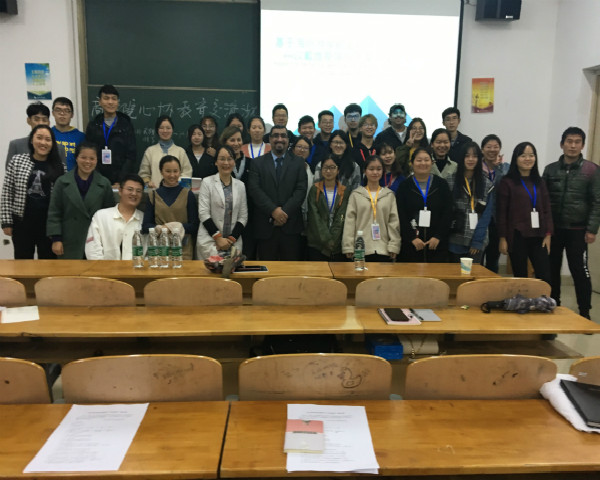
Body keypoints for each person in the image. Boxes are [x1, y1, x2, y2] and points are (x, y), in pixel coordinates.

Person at [543, 127, 600, 319]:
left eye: (577, 142)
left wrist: (592, 229)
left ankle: (584, 311)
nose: (573, 145)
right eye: (569, 141)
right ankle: (553, 304)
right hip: (554, 230)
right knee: (552, 268)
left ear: (582, 145)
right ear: (562, 144)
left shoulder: (592, 170)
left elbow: (597, 201)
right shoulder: (550, 169)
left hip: (578, 230)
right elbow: (543, 200)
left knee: (579, 270)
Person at [1, 125, 66, 259]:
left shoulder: (60, 167)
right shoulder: (17, 161)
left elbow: (63, 201)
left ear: (52, 144)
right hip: (22, 223)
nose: (43, 142)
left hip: (48, 225)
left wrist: (59, 229)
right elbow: (7, 192)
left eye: (48, 139)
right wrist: (6, 222)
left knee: (49, 264)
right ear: (31, 140)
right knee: (23, 264)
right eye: (39, 138)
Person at [247, 125, 307, 260]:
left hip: (291, 226)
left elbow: (300, 190)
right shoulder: (257, 163)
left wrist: (283, 212)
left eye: (283, 136)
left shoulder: (298, 162)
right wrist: (273, 211)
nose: (279, 139)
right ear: (269, 139)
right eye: (275, 136)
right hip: (265, 226)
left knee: (291, 270)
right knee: (267, 269)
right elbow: (255, 190)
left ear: (288, 140)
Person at [47, 140, 114, 259]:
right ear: (76, 158)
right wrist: (56, 239)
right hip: (68, 241)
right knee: (70, 271)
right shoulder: (62, 182)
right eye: (83, 157)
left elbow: (109, 216)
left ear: (97, 160)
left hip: (96, 241)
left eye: (92, 158)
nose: (87, 162)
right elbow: (54, 213)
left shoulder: (104, 184)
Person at [497, 142, 553, 283]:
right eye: (523, 155)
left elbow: (547, 209)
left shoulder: (540, 182)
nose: (528, 159)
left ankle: (542, 298)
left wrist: (548, 234)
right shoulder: (507, 182)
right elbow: (502, 212)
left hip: (539, 236)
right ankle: (522, 298)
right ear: (516, 159)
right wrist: (502, 238)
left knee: (545, 276)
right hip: (517, 236)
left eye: (531, 155)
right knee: (521, 276)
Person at [396, 147, 452, 262]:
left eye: (426, 160)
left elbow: (448, 212)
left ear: (432, 162)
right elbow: (400, 214)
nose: (423, 163)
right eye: (419, 160)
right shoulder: (404, 186)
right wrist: (412, 238)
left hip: (437, 244)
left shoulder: (441, 184)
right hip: (411, 244)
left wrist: (438, 236)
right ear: (412, 163)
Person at [342, 155, 400, 261]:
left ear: (383, 171)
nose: (375, 172)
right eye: (371, 169)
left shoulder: (389, 195)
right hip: (361, 248)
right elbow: (350, 222)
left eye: (379, 169)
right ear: (365, 171)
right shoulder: (356, 194)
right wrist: (348, 246)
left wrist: (394, 245)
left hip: (384, 249)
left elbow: (393, 222)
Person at [142, 155, 199, 260]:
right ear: (161, 172)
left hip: (183, 249)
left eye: (175, 171)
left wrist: (172, 227)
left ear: (180, 172)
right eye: (168, 171)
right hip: (159, 250)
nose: (172, 175)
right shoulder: (153, 195)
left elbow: (194, 226)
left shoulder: (188, 194)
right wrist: (160, 229)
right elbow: (145, 226)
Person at [196, 145, 248, 260]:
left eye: (229, 159)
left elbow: (243, 216)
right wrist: (218, 238)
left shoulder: (240, 185)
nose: (226, 163)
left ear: (234, 162)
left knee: (231, 270)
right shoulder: (207, 182)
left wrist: (231, 240)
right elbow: (203, 213)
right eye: (222, 159)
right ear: (216, 162)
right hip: (210, 241)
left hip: (233, 242)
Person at [448, 142, 494, 263]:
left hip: (477, 239)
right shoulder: (450, 181)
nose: (471, 159)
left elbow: (486, 216)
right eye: (467, 156)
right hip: (455, 238)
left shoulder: (487, 184)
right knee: (454, 273)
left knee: (474, 274)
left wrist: (477, 241)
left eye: (474, 156)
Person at [85, 84, 137, 187]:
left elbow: (131, 156)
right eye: (106, 98)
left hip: (121, 182)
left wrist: (121, 181)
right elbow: (89, 154)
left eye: (114, 98)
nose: (110, 102)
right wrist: (99, 179)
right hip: (97, 181)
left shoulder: (126, 125)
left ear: (118, 102)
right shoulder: (93, 125)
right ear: (100, 102)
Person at [85, 174, 145, 260]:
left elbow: (150, 252)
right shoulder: (101, 216)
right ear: (120, 191)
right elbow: (92, 249)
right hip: (105, 268)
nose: (134, 193)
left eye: (138, 191)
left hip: (138, 268)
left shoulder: (145, 219)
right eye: (130, 189)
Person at [306, 156, 349, 261]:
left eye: (332, 167)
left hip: (337, 246)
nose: (328, 171)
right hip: (317, 245)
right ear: (321, 170)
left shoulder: (344, 191)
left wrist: (333, 241)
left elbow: (341, 218)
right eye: (325, 168)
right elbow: (314, 218)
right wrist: (327, 240)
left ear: (338, 170)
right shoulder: (315, 189)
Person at [480, 133, 509, 273]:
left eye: (496, 147)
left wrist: (499, 169)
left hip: (497, 218)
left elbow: (505, 188)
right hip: (480, 218)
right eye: (488, 147)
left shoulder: (506, 168)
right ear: (482, 150)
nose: (492, 150)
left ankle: (492, 284)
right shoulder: (476, 167)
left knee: (493, 258)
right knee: (477, 256)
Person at [138, 115, 191, 188]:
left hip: (176, 192)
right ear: (157, 130)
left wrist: (175, 183)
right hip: (155, 192)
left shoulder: (181, 151)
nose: (165, 131)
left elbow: (187, 173)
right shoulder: (150, 151)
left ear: (172, 130)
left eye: (168, 128)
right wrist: (148, 183)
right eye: (161, 128)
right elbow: (143, 174)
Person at [5, 102, 51, 167]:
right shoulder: (16, 145)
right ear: (28, 120)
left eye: (44, 120)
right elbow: (10, 170)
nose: (40, 123)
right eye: (36, 119)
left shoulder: (59, 148)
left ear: (48, 122)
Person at [51, 96, 85, 171]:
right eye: (58, 110)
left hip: (73, 177)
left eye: (67, 110)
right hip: (51, 176)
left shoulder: (81, 137)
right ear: (53, 113)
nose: (62, 113)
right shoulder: (48, 135)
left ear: (72, 115)